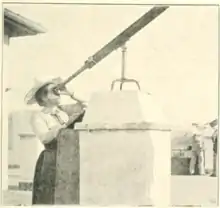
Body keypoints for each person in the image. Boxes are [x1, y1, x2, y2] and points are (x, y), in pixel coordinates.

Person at [24, 77, 86, 205]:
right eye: (53, 90)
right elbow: (45, 137)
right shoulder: (39, 116)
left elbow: (88, 106)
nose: (58, 92)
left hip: (67, 159)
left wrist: (71, 93)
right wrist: (62, 127)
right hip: (50, 160)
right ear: (44, 98)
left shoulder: (63, 111)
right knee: (48, 197)